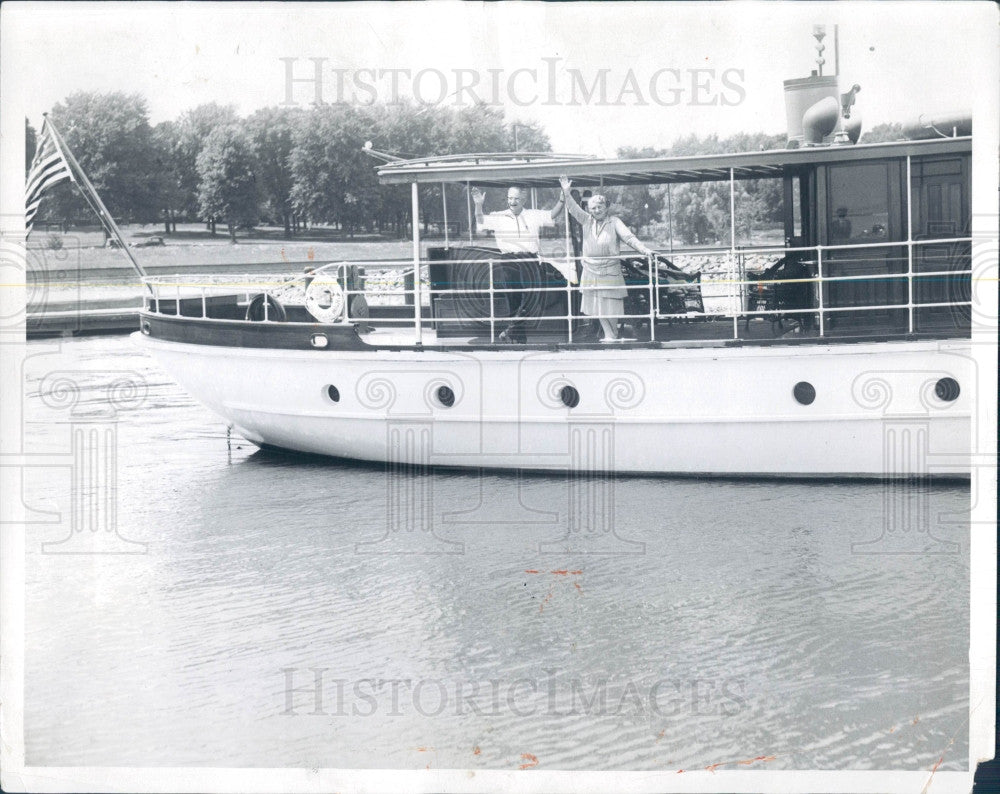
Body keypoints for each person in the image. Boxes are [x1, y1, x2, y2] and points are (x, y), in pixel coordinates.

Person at [559, 176, 657, 342]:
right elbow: (573, 209)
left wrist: (645, 250)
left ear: (606, 207)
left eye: (600, 206)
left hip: (610, 269)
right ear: (589, 209)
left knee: (611, 303)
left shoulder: (614, 221)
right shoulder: (586, 220)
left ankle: (612, 335)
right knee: (597, 304)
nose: (597, 210)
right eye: (593, 207)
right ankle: (610, 335)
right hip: (591, 268)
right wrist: (566, 193)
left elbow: (629, 238)